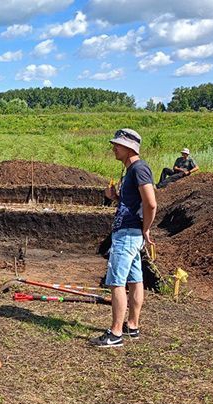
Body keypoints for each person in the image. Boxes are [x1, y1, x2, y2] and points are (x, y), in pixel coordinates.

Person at [92, 129, 157, 348]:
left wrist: (145, 229)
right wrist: (116, 197)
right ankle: (132, 325)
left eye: (117, 145)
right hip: (130, 233)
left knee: (116, 282)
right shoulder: (130, 171)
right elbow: (135, 203)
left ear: (129, 147)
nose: (113, 148)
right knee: (134, 279)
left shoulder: (139, 169)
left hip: (129, 234)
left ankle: (116, 333)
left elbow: (151, 203)